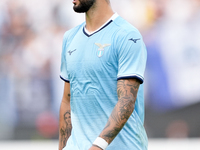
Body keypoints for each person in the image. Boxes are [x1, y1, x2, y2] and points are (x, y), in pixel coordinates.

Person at [59, 0, 148, 150]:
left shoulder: (127, 35)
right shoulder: (70, 38)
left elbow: (127, 100)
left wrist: (98, 146)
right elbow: (67, 100)